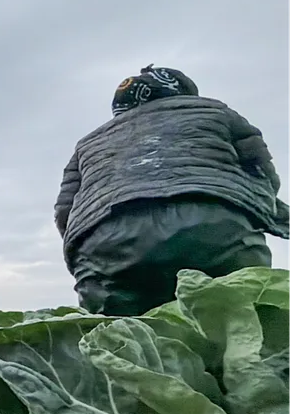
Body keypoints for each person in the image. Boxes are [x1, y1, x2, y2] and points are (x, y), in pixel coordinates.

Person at [54, 65, 290, 316]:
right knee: (244, 319)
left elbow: (65, 214)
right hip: (213, 228)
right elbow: (262, 174)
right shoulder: (216, 112)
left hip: (106, 247)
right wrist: (269, 215)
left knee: (122, 339)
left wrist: (93, 258)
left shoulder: (87, 144)